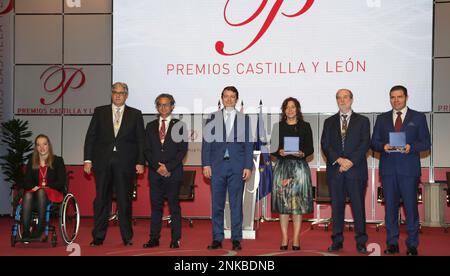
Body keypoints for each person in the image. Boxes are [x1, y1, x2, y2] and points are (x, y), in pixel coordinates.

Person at [371, 85, 431, 256]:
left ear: (406, 97)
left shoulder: (418, 117)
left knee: (411, 209)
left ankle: (412, 245)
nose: (396, 100)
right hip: (388, 171)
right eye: (393, 97)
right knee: (390, 209)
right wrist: (383, 146)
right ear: (389, 98)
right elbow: (373, 142)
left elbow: (426, 142)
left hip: (409, 171)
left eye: (399, 97)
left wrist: (411, 147)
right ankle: (392, 243)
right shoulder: (382, 119)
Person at [84, 82, 145, 247]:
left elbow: (141, 140)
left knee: (124, 201)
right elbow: (91, 137)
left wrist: (140, 162)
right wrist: (88, 160)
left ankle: (127, 236)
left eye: (121, 93)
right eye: (115, 92)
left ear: (126, 95)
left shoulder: (135, 114)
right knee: (101, 200)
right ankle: (98, 236)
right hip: (102, 163)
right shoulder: (100, 112)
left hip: (126, 164)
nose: (118, 95)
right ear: (111, 94)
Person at [202, 86, 253, 251]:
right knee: (217, 204)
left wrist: (248, 166)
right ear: (222, 98)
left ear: (236, 99)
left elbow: (248, 145)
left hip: (237, 167)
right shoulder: (212, 118)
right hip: (217, 167)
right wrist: (206, 164)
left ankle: (236, 238)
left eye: (232, 97)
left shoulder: (244, 119)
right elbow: (206, 144)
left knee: (236, 204)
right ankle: (217, 238)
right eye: (226, 96)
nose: (229, 99)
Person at [321, 89, 370, 253]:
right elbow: (325, 144)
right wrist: (339, 160)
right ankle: (337, 241)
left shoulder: (363, 121)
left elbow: (365, 143)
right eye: (339, 98)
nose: (342, 100)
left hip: (356, 170)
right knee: (337, 207)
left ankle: (361, 241)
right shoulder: (329, 121)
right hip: (336, 170)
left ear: (352, 99)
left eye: (345, 97)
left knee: (358, 207)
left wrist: (350, 161)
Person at [142, 94, 188, 249]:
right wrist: (158, 167)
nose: (163, 107)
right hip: (155, 174)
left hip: (173, 173)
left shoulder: (180, 126)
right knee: (156, 207)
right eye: (160, 105)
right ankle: (154, 238)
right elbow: (146, 150)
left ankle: (175, 239)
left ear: (172, 106)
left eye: (166, 104)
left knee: (174, 207)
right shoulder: (150, 126)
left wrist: (167, 167)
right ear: (157, 107)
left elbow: (182, 151)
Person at [270, 97, 314, 251]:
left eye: (293, 107)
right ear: (284, 110)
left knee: (297, 204)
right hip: (282, 168)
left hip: (299, 169)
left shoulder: (305, 126)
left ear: (297, 109)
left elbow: (310, 149)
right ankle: (284, 237)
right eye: (287, 107)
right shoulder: (278, 126)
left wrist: (302, 153)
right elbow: (272, 149)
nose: (290, 110)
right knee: (283, 205)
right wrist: (278, 151)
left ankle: (296, 237)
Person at [19, 134, 66, 243]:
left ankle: (40, 228)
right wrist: (34, 187)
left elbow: (61, 182)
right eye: (38, 145)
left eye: (44, 144)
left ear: (49, 145)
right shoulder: (32, 161)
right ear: (36, 147)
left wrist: (45, 187)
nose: (42, 148)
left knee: (41, 192)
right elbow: (26, 182)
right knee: (28, 194)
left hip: (52, 192)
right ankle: (26, 231)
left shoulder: (58, 160)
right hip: (35, 193)